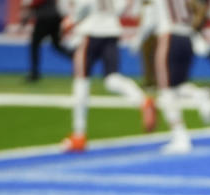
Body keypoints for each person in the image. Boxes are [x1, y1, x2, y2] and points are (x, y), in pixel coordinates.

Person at [61, 0, 156, 152]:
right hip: (112, 31)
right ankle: (142, 100)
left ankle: (79, 135)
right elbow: (122, 6)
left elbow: (84, 6)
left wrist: (71, 21)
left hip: (90, 32)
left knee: (81, 81)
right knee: (112, 78)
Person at [140, 0, 210, 153]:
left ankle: (180, 137)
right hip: (187, 37)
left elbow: (149, 16)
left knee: (166, 90)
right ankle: (199, 94)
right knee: (176, 86)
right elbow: (199, 8)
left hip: (169, 37)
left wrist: (139, 39)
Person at [21, 0, 73, 82]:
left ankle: (34, 73)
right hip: (55, 17)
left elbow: (34, 4)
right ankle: (77, 57)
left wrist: (24, 20)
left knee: (35, 45)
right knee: (56, 46)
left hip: (45, 18)